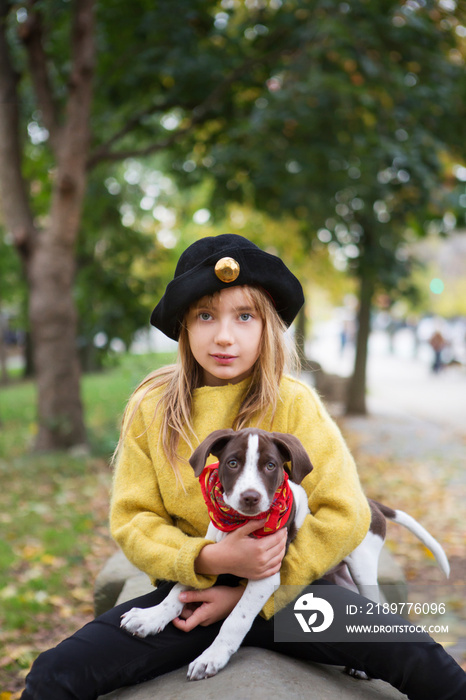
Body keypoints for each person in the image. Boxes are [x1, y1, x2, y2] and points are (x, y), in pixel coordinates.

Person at [22, 234, 466, 699]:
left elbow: (346, 512)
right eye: (206, 315)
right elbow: (135, 519)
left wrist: (258, 590)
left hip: (295, 600)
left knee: (421, 658)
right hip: (192, 599)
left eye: (245, 316)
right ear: (184, 326)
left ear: (267, 326)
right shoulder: (152, 407)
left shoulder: (294, 403)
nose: (225, 335)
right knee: (55, 673)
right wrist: (209, 559)